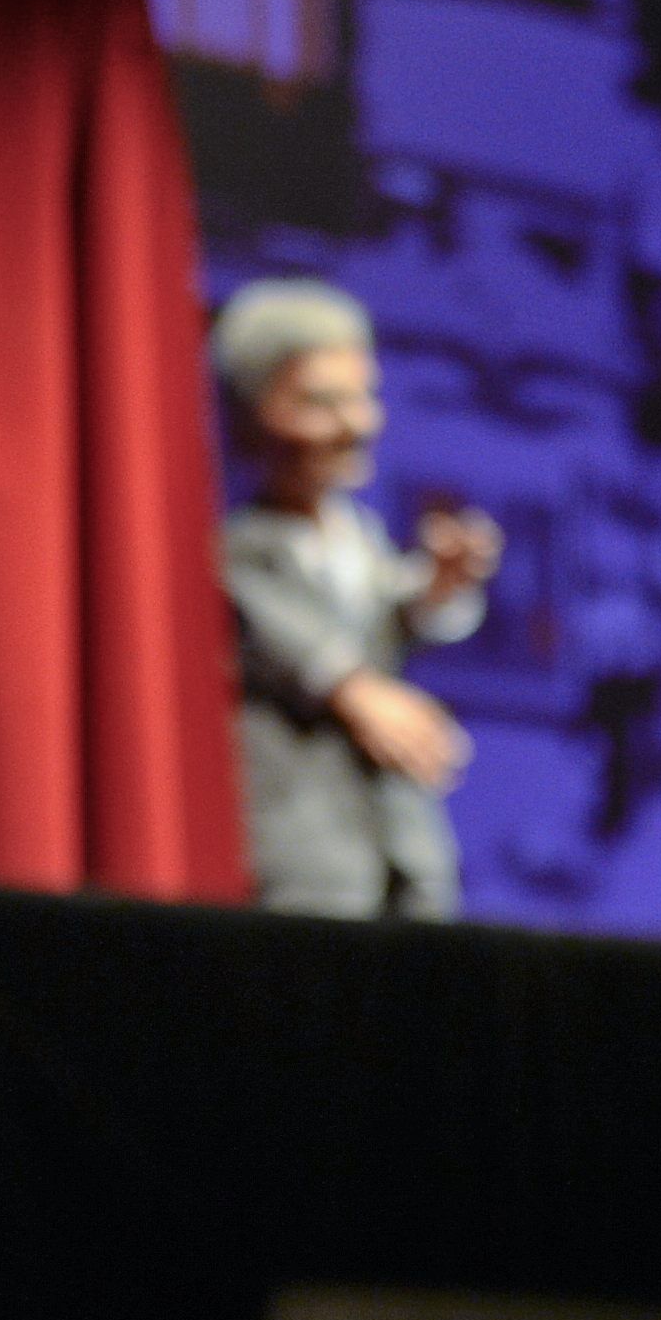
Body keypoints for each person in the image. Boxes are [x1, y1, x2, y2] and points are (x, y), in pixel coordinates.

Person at [213, 278, 501, 918]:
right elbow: (284, 636)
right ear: (255, 414)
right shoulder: (240, 549)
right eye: (321, 402)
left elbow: (387, 613)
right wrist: (355, 689)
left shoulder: (360, 538)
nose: (357, 423)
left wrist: (437, 587)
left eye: (362, 397)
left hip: (398, 839)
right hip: (301, 843)